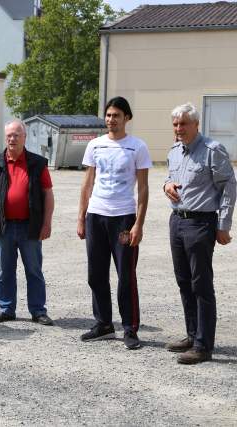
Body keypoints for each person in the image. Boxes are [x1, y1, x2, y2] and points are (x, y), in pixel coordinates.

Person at [163, 102, 236, 364]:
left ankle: (204, 345)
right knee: (184, 281)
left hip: (201, 224)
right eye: (175, 124)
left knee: (201, 284)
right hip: (178, 221)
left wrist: (223, 225)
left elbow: (229, 186)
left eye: (183, 123)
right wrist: (167, 185)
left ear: (196, 124)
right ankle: (192, 335)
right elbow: (169, 178)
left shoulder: (211, 151)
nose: (179, 128)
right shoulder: (174, 151)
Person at [77, 96, 152, 350]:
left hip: (123, 218)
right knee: (95, 274)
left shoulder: (137, 147)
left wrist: (138, 224)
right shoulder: (95, 146)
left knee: (126, 277)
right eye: (108, 115)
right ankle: (103, 324)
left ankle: (130, 328)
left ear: (126, 118)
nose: (111, 120)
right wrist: (81, 217)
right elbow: (87, 184)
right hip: (96, 216)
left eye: (116, 115)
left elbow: (143, 189)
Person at [0, 120, 55, 326]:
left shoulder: (38, 163)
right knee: (5, 271)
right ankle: (6, 309)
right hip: (3, 226)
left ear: (25, 137)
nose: (12, 139)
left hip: (30, 226)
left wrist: (47, 223)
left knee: (34, 270)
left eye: (17, 135)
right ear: (5, 138)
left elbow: (48, 194)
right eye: (9, 135)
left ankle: (38, 311)